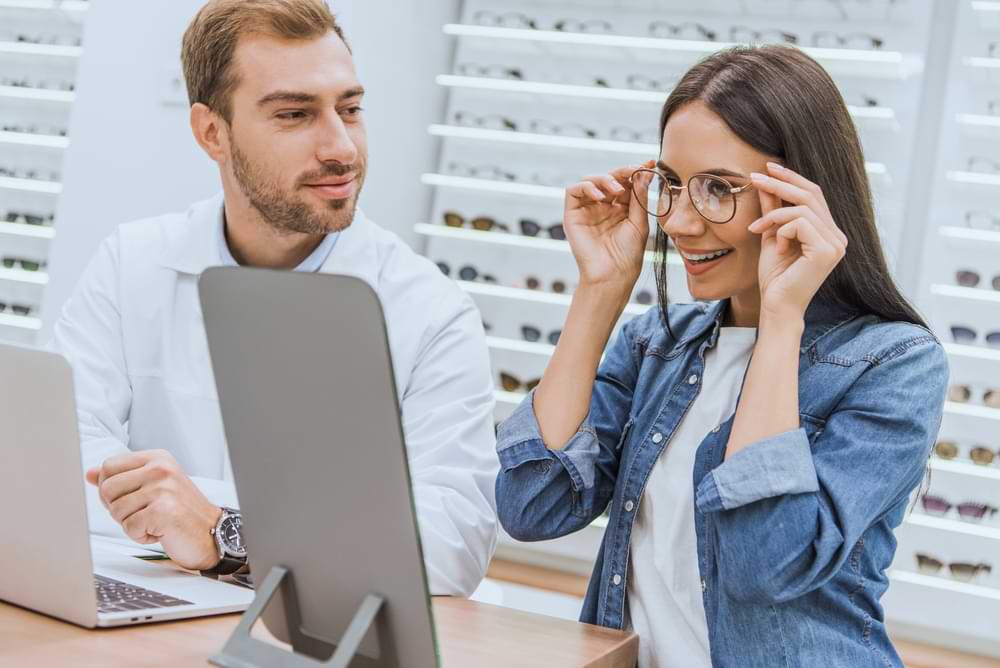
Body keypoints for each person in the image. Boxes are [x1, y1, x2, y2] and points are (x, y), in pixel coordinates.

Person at [494, 44, 948, 667]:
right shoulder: (654, 343)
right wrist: (600, 291)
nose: (679, 221)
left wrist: (783, 317)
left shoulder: (892, 365)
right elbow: (532, 507)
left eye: (718, 189)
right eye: (674, 186)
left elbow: (764, 565)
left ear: (801, 196)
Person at [50, 0, 497, 596]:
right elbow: (50, 471)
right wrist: (317, 530)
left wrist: (220, 530)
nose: (342, 148)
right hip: (149, 613)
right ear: (212, 132)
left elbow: (451, 543)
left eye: (351, 108)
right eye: (294, 114)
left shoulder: (430, 312)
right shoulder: (130, 264)